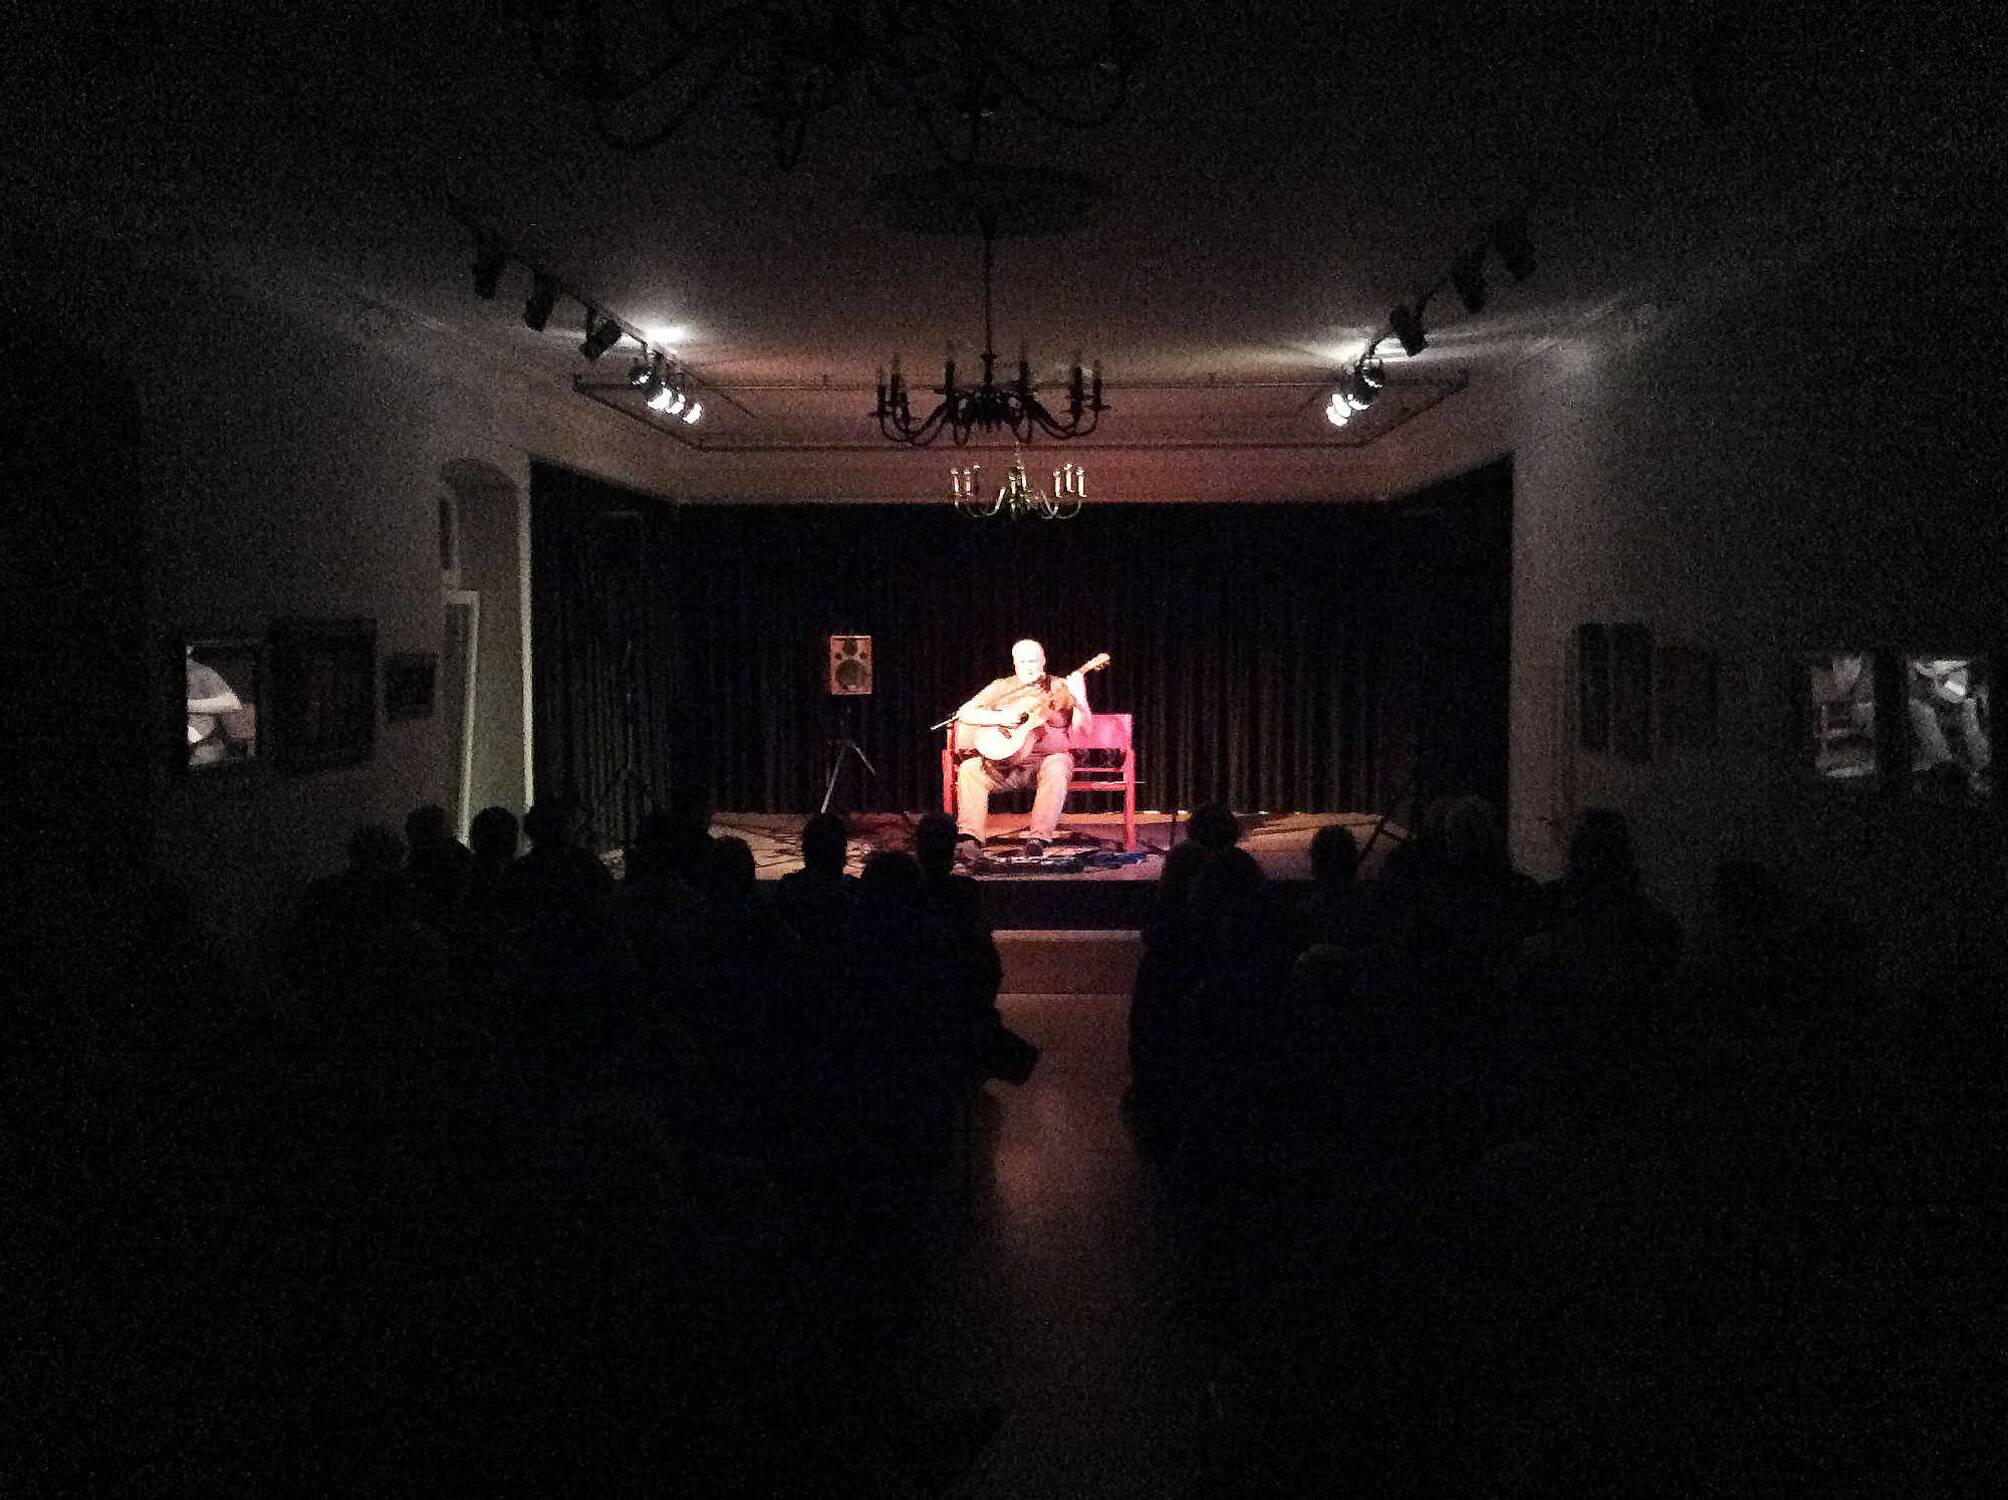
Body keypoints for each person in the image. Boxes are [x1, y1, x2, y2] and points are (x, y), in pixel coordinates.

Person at [951, 638, 1092, 860]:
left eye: (1033, 661)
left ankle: (1037, 840)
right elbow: (964, 713)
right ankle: (970, 838)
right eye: (1023, 661)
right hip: (1003, 764)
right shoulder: (1001, 687)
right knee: (971, 769)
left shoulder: (1060, 688)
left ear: (1043, 661)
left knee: (1058, 764)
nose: (1028, 666)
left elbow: (1084, 730)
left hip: (1042, 763)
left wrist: (1080, 699)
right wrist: (1001, 717)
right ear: (1015, 663)